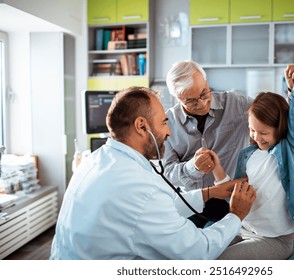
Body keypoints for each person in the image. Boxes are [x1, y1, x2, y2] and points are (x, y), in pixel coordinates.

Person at [49, 86, 256, 260]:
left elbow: (152, 209)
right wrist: (236, 214)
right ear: (141, 126)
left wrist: (209, 192)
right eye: (164, 122)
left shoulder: (94, 160)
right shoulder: (139, 186)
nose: (168, 132)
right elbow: (198, 251)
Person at [211, 40, 294, 259]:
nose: (256, 137)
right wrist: (216, 168)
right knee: (202, 252)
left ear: (280, 129)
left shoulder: (289, 149)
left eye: (263, 133)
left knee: (223, 263)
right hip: (242, 228)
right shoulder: (249, 155)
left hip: (274, 239)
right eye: (252, 130)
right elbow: (233, 195)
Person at [164, 60, 253, 227]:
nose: (202, 103)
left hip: (237, 206)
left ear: (207, 83)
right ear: (177, 97)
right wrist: (193, 168)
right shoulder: (166, 124)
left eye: (204, 93)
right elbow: (167, 174)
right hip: (193, 210)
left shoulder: (237, 103)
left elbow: (275, 116)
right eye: (191, 101)